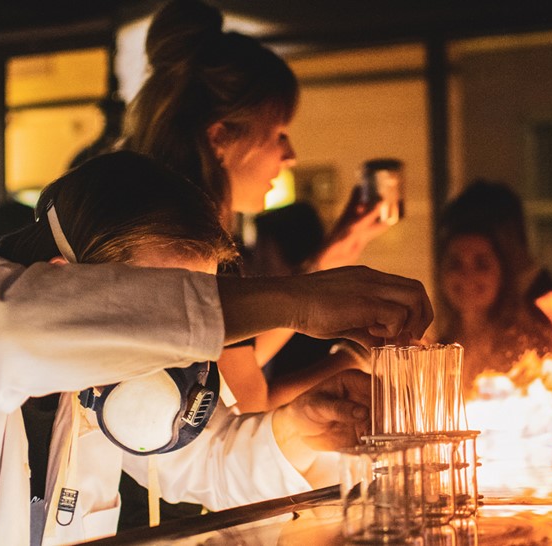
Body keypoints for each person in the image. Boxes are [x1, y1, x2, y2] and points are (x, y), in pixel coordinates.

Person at [0, 152, 432, 545]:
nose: (158, 337)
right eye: (151, 301)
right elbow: (5, 336)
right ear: (70, 277)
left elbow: (196, 458)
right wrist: (296, 302)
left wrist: (300, 430)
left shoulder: (96, 372)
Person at [120, 0, 390, 415]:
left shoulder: (179, 228)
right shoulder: (185, 249)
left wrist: (329, 258)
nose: (291, 156)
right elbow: (246, 406)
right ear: (220, 138)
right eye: (279, 133)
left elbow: (237, 365)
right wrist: (358, 357)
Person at [433, 179, 552, 386]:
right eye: (454, 263)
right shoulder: (439, 349)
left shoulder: (551, 324)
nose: (467, 275)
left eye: (482, 263)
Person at [247, 202, 369, 409]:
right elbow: (252, 403)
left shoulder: (320, 325)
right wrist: (359, 356)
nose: (251, 263)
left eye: (262, 252)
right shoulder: (265, 321)